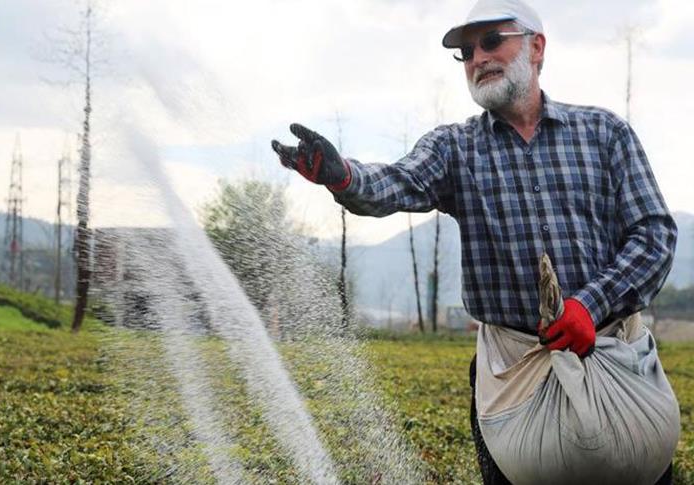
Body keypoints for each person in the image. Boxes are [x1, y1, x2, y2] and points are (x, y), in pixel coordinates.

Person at [271, 0, 678, 483]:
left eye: (491, 41)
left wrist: (590, 305)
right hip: (513, 371)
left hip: (611, 352)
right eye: (466, 52)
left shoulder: (605, 134)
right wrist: (343, 177)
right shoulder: (454, 147)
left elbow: (654, 235)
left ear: (537, 46)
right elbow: (399, 181)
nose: (477, 58)